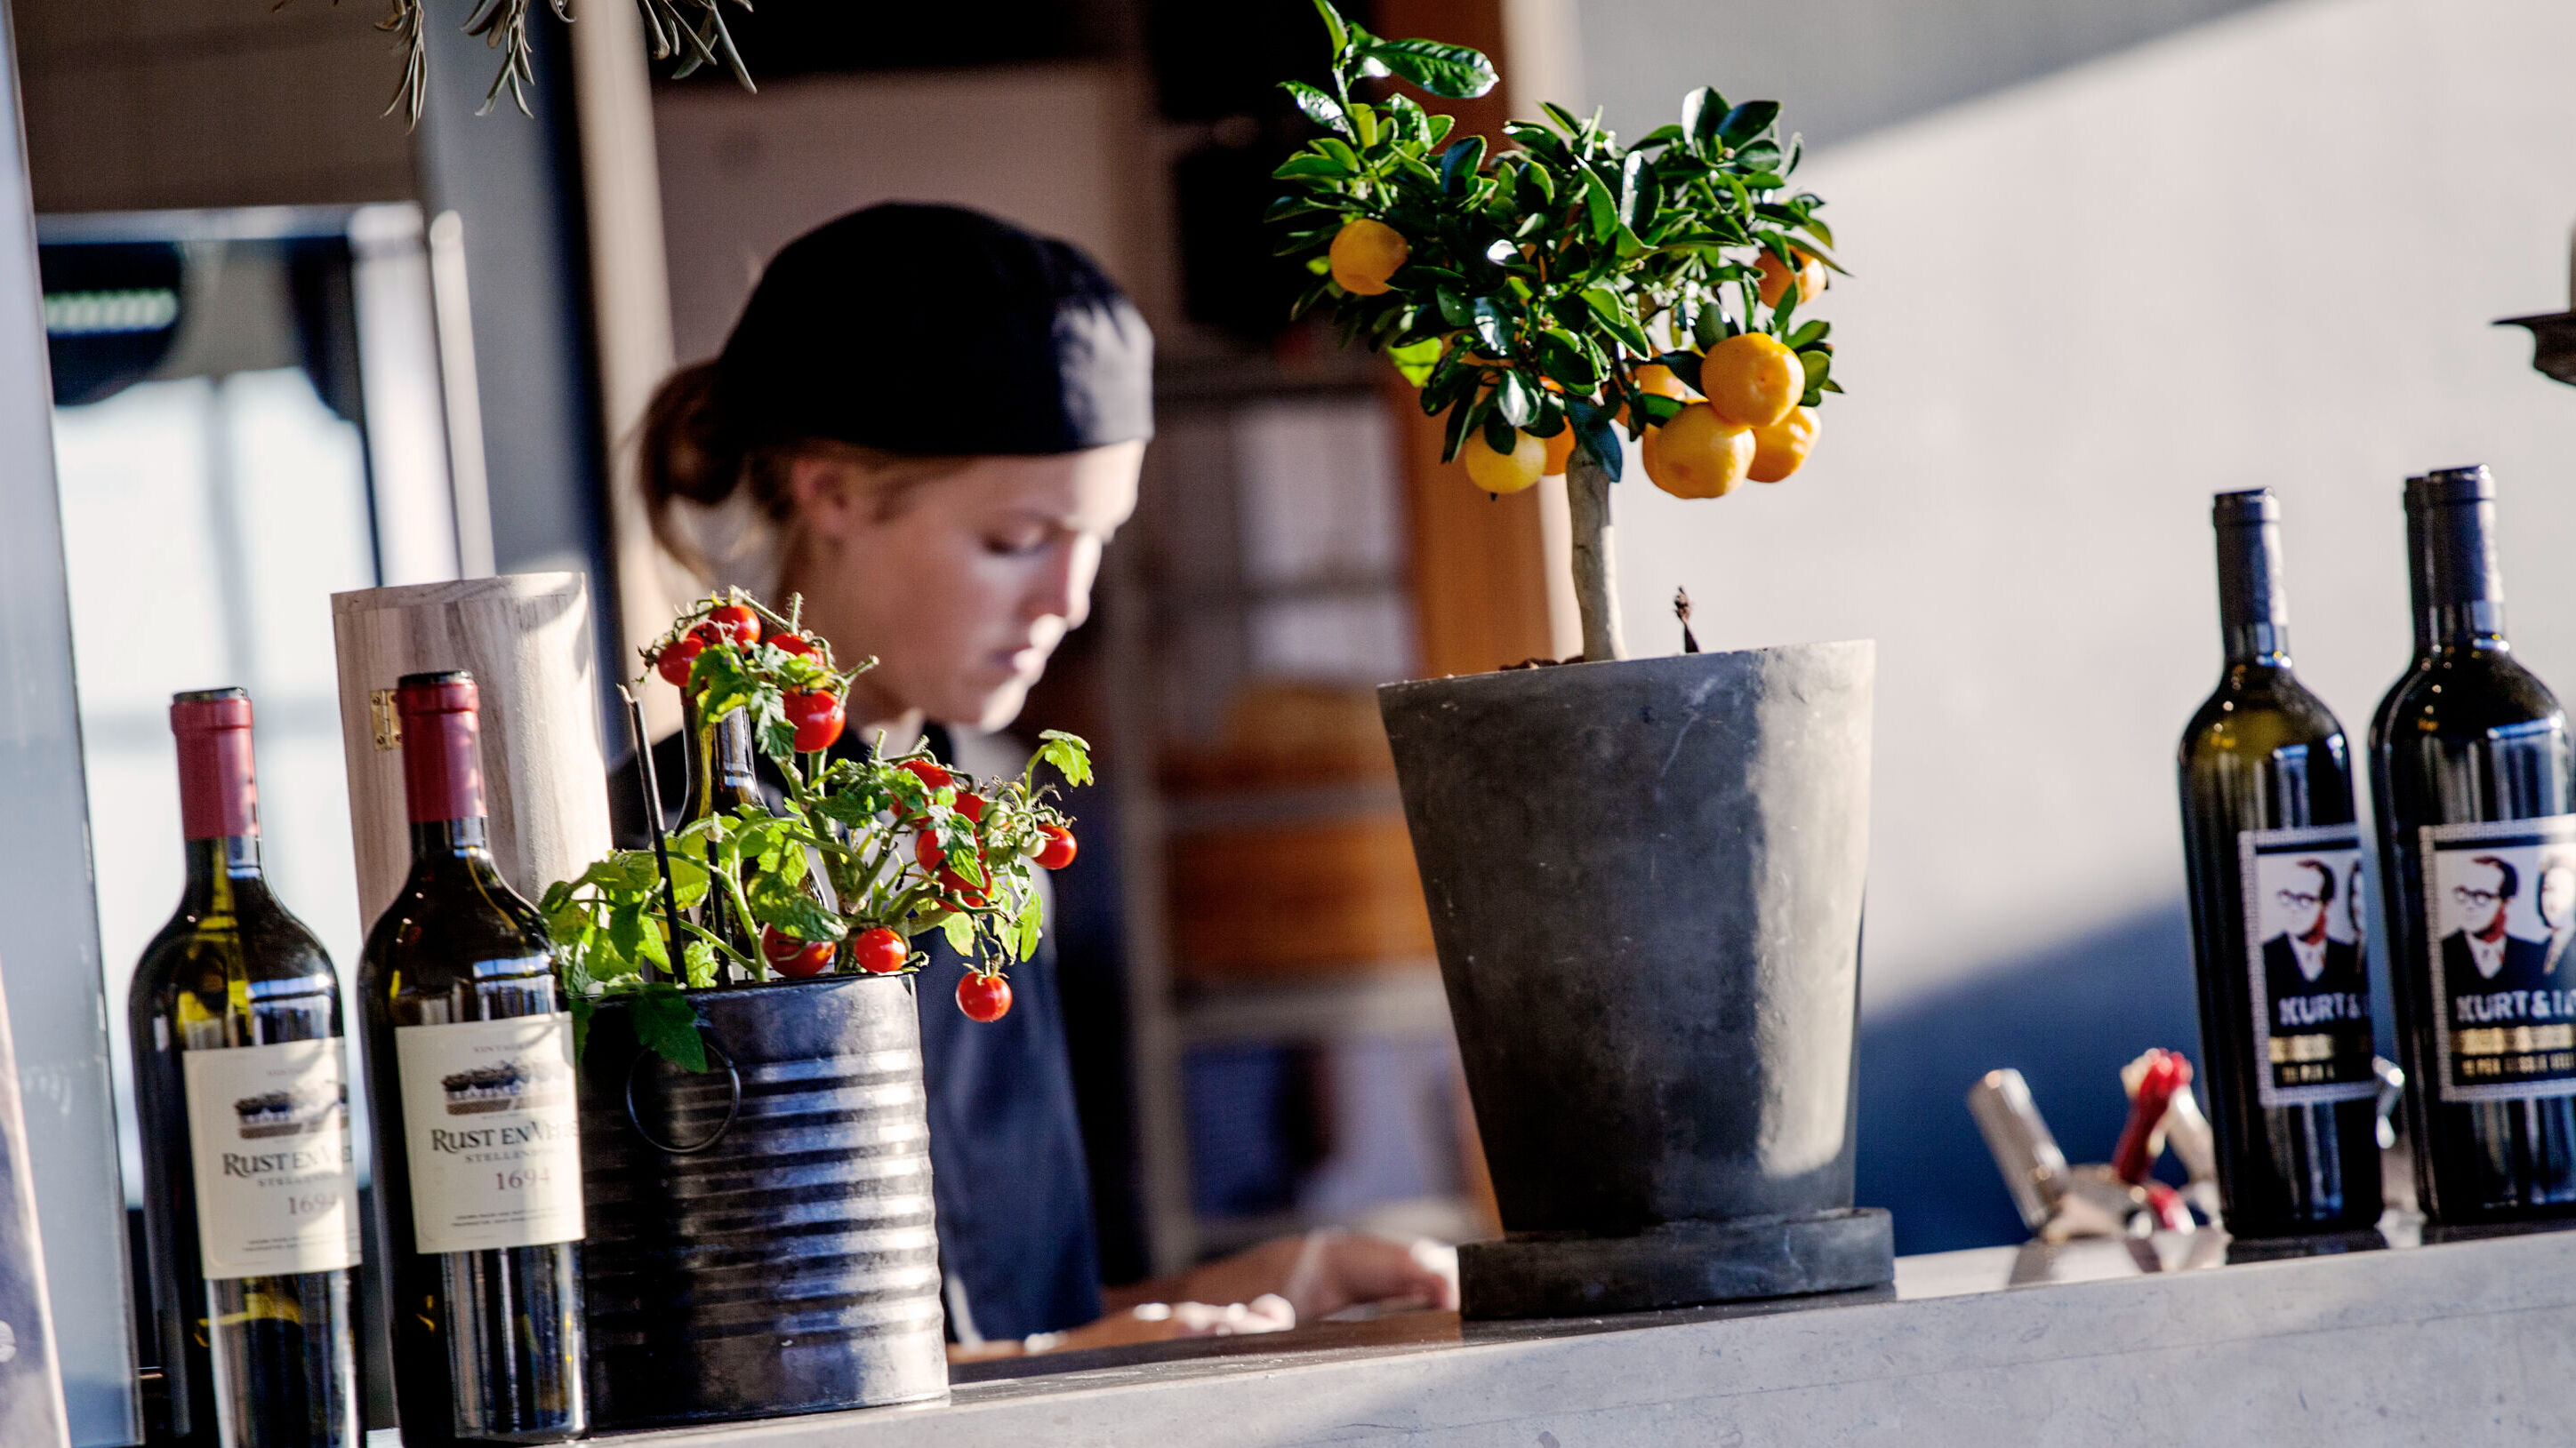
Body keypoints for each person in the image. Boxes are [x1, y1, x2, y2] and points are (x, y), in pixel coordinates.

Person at [614, 203, 1457, 1356]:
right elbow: (754, 1371)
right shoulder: (680, 853)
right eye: (1017, 540)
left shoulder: (999, 826)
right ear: (834, 495)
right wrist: (1075, 1359)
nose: (1068, 597)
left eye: (1097, 537)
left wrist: (1273, 1277)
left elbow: (1003, 1323)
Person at [2259, 859, 2367, 1044]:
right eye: (2287, 896)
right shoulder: (2263, 958)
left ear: (2327, 905)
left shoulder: (2350, 958)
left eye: (2304, 900)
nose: (2293, 908)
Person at [2441, 854, 2551, 1006]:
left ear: (2507, 902)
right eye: (2464, 893)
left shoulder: (2534, 955)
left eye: (2481, 896)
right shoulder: (2441, 954)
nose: (2469, 905)